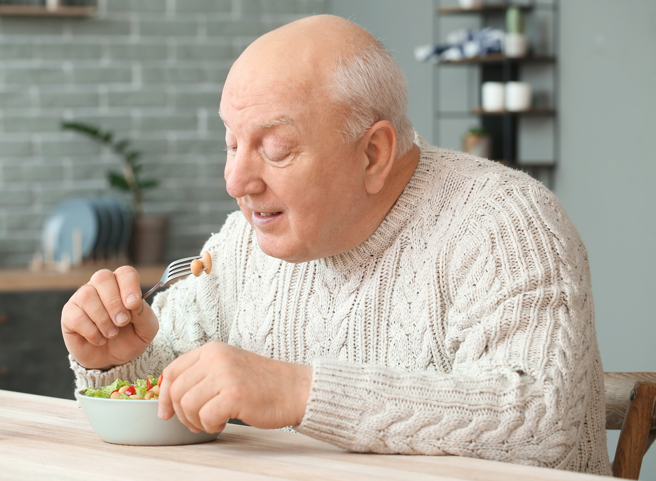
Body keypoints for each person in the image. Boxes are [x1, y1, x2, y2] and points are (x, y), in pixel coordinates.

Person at [61, 15, 611, 476]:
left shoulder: (506, 224)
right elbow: (172, 382)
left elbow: (544, 425)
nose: (235, 180)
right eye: (231, 142)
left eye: (274, 149)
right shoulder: (241, 246)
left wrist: (301, 392)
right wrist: (124, 357)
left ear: (373, 154)